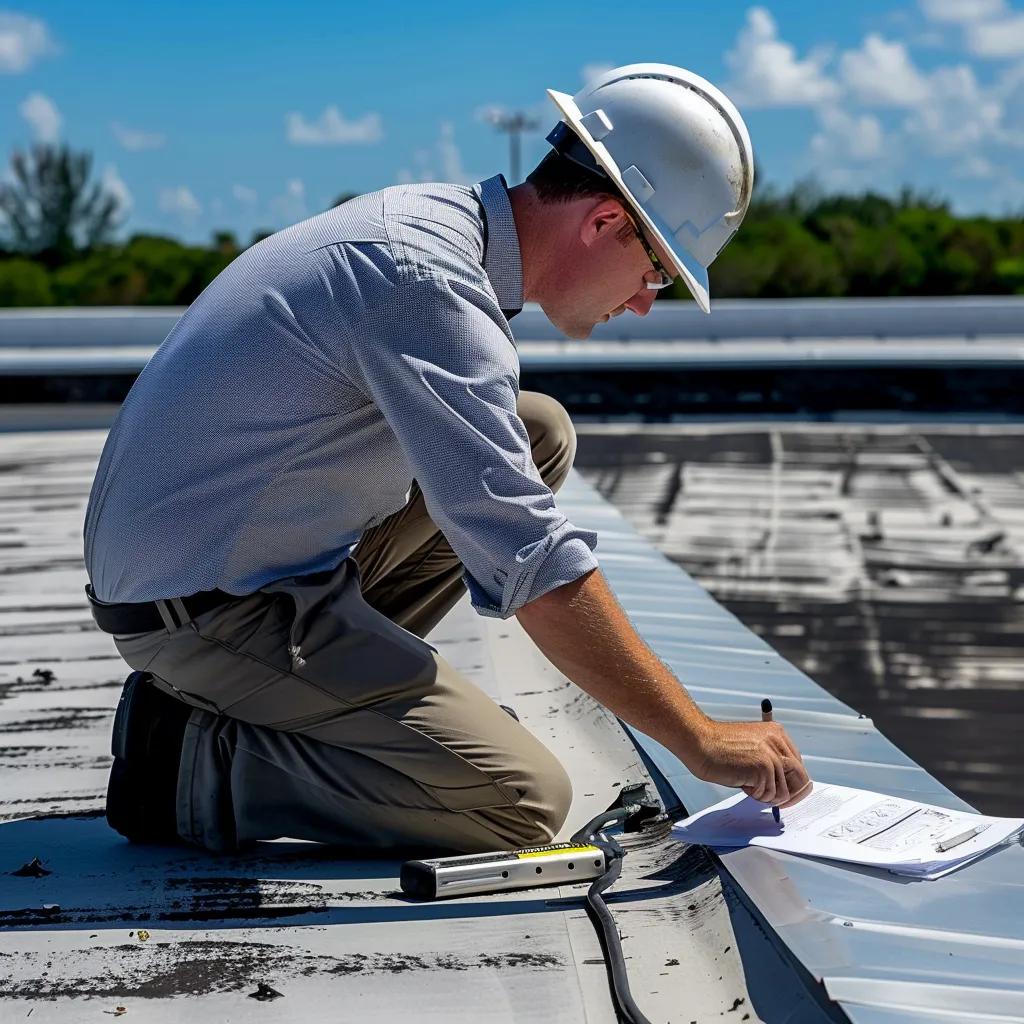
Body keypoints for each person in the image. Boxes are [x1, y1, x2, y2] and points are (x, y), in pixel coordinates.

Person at [84, 63, 810, 855]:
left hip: (228, 568)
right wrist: (700, 739)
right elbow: (528, 557)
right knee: (518, 800)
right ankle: (190, 758)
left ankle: (313, 691)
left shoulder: (435, 225)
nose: (642, 300)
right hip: (202, 614)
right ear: (604, 222)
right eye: (658, 271)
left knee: (536, 432)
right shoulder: (426, 286)